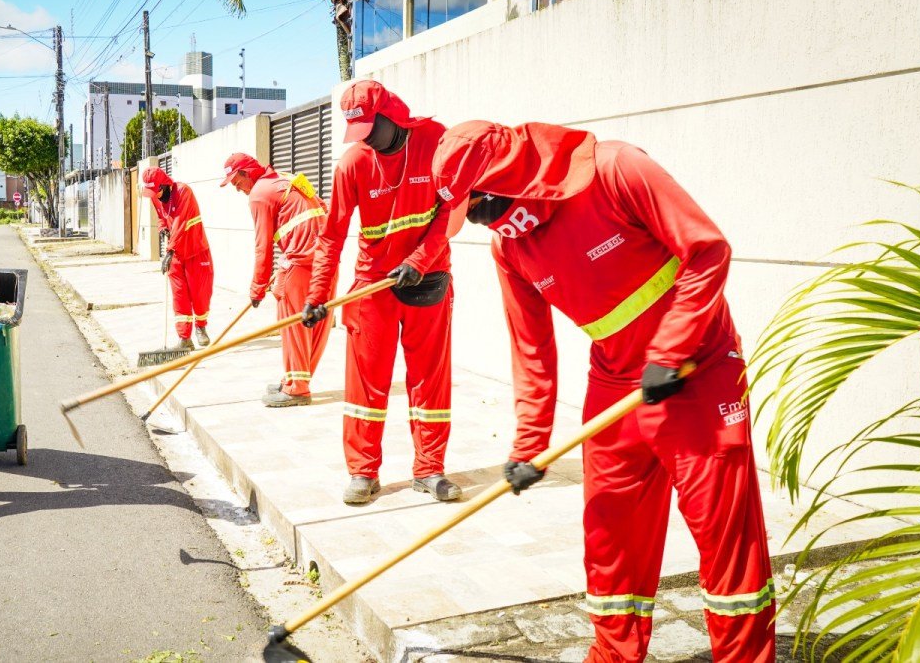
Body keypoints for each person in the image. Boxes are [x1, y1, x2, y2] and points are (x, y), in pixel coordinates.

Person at [431, 120, 775, 661]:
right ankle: (613, 654)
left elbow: (707, 251)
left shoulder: (615, 169)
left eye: (476, 208)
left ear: (502, 180)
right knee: (610, 532)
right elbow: (532, 351)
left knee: (723, 533)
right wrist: (530, 447)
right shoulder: (509, 249)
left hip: (698, 370)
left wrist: (669, 351)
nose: (477, 222)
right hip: (615, 382)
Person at [300, 80, 459, 505]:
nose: (367, 138)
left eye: (373, 128)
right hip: (373, 286)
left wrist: (420, 261)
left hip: (428, 278)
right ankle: (363, 472)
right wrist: (317, 295)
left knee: (429, 377)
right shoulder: (352, 164)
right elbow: (331, 237)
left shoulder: (436, 141)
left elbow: (451, 210)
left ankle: (430, 469)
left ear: (393, 114)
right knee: (366, 384)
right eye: (360, 131)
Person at [220, 152, 333, 407]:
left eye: (237, 184)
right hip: (326, 260)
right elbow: (322, 208)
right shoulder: (284, 179)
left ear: (246, 173)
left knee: (292, 324)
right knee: (314, 325)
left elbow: (262, 246)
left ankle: (296, 389)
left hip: (300, 264)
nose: (239, 191)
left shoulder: (259, 194)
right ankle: (295, 380)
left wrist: (257, 288)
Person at [141, 167, 214, 349]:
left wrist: (169, 251)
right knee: (179, 296)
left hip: (196, 251)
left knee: (199, 293)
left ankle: (201, 327)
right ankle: (184, 339)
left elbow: (181, 223)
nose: (154, 195)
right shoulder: (155, 197)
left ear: (165, 185)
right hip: (175, 253)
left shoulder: (183, 192)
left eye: (156, 190)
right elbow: (161, 216)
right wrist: (162, 228)